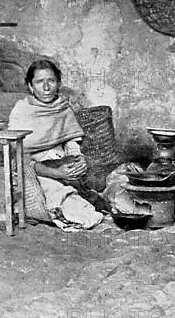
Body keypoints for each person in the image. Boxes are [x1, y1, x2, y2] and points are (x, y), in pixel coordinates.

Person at [8, 59, 108, 229]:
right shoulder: (22, 111)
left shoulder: (63, 108)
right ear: (31, 87)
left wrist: (78, 159)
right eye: (39, 82)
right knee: (70, 203)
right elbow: (20, 159)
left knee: (95, 193)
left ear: (58, 83)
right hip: (34, 172)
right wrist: (56, 173)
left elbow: (71, 142)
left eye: (51, 81)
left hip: (63, 166)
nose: (46, 87)